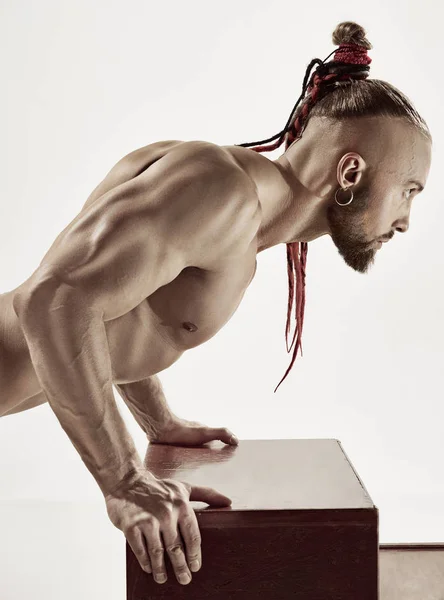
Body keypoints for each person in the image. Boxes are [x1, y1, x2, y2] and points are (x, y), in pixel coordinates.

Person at [0, 20, 432, 587]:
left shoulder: (232, 208)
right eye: (409, 191)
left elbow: (115, 309)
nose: (405, 221)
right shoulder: (221, 193)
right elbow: (54, 303)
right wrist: (124, 479)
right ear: (351, 171)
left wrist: (158, 423)